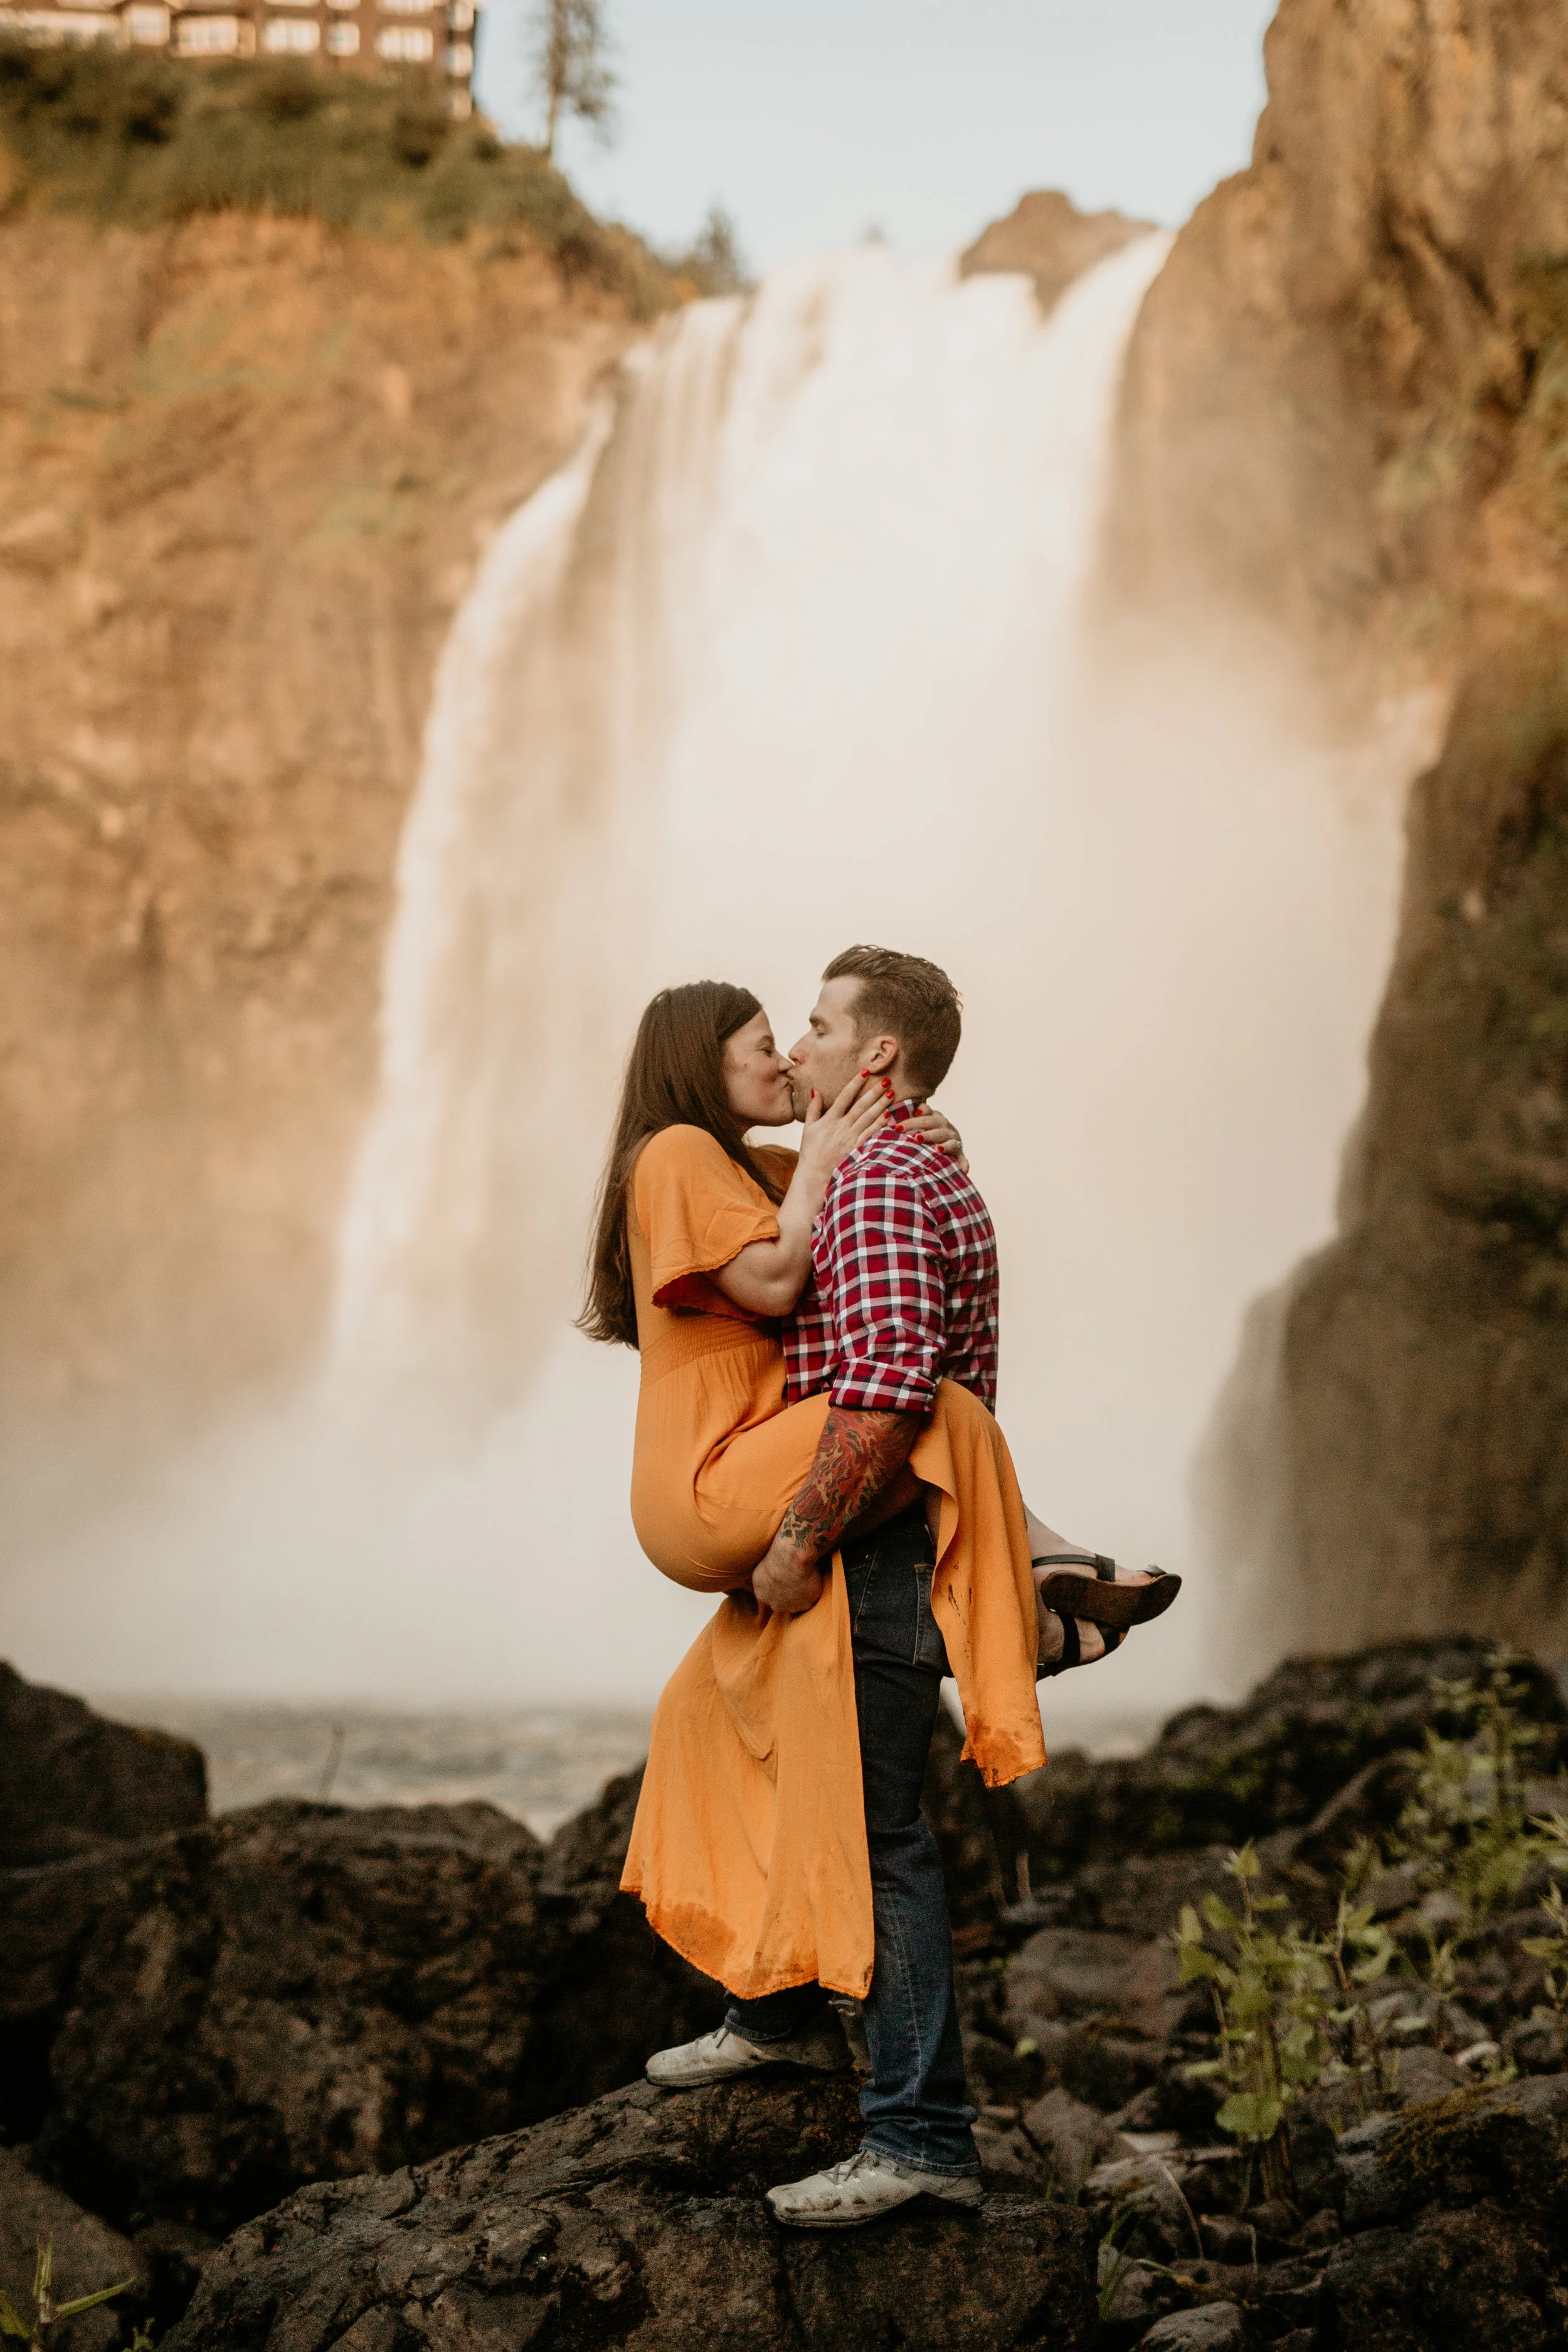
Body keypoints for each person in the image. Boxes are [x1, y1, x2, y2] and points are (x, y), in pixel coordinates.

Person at [580, 950, 1179, 2228]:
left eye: (802, 1030)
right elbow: (794, 1279)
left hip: (817, 1516)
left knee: (841, 1802)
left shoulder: (847, 1174)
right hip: (742, 1490)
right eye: (765, 1036)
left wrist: (797, 1540)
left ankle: (904, 2129)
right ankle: (1028, 1572)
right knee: (730, 1726)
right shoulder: (699, 1154)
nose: (785, 1053)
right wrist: (888, 1123)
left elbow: (892, 1378)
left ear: (870, 1061)